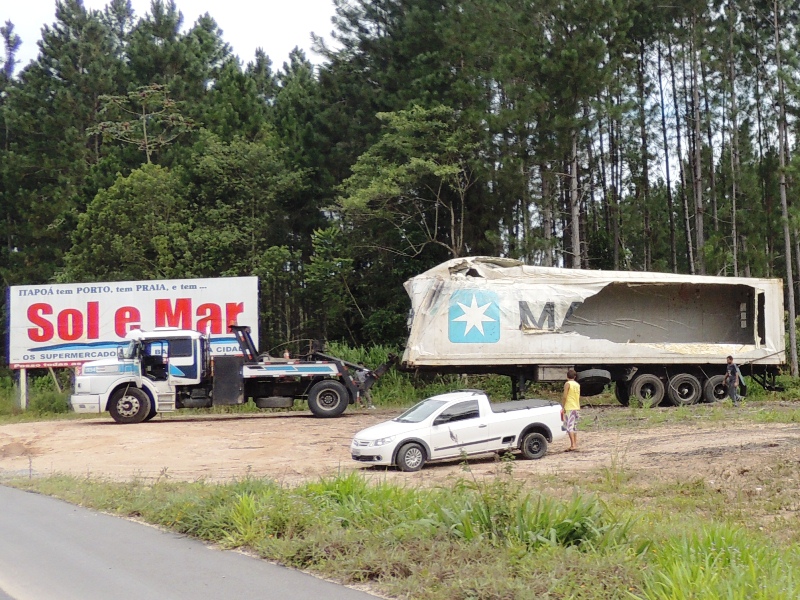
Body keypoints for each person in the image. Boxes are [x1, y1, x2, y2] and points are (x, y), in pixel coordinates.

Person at [561, 368, 580, 451]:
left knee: (569, 427)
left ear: (567, 376)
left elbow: (565, 396)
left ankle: (573, 445)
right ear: (575, 377)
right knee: (574, 427)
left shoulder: (567, 384)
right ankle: (575, 444)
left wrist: (563, 406)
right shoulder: (577, 384)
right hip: (576, 406)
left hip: (569, 407)